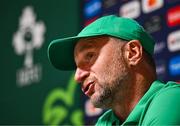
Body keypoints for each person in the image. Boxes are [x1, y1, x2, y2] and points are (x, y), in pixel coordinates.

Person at [48, 15, 180, 125]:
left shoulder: (172, 100)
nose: (77, 76)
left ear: (132, 53)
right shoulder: (105, 121)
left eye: (89, 56)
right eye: (77, 66)